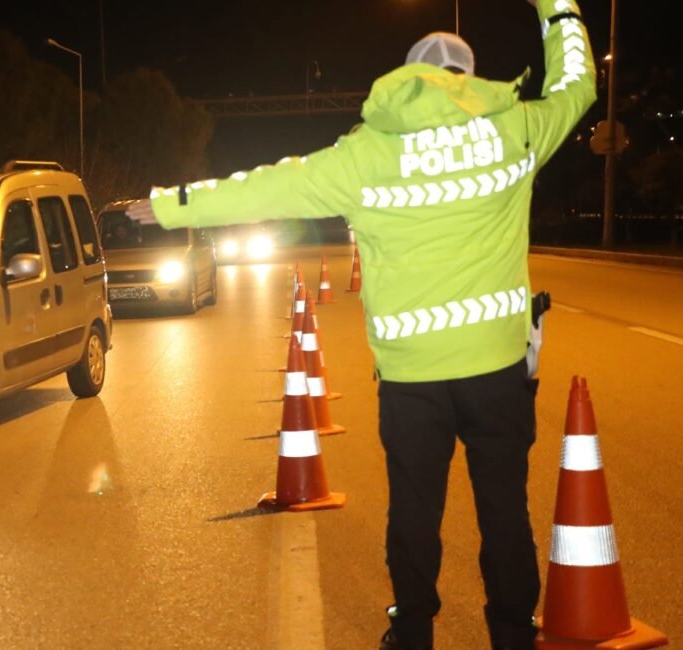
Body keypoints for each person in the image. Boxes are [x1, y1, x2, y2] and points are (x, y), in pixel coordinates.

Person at [126, 2, 594, 648]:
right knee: (505, 514)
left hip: (411, 381)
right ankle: (513, 632)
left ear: (407, 81)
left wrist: (170, 207)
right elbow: (579, 84)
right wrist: (555, 4)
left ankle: (414, 631)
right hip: (496, 372)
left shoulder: (366, 154)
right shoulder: (513, 131)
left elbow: (267, 187)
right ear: (468, 78)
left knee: (413, 516)